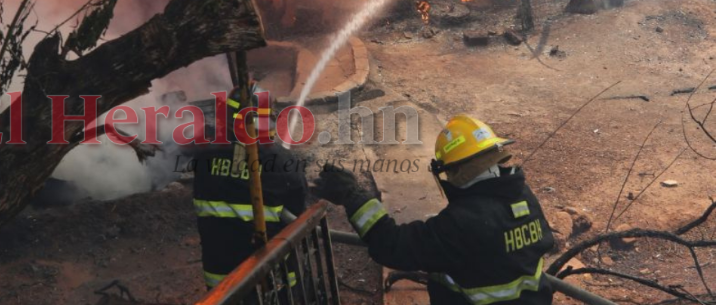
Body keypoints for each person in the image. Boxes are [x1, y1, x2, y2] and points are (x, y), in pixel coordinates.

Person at [314, 114, 554, 305]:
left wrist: (353, 196)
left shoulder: (462, 223)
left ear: (457, 170)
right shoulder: (523, 197)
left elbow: (392, 245)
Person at [192, 85, 308, 291]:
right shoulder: (283, 162)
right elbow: (300, 215)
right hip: (273, 283)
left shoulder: (204, 159)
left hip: (221, 285)